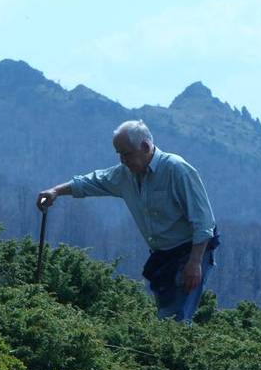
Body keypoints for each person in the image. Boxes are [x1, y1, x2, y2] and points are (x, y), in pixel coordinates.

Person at [36, 120, 218, 322]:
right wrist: (56, 191)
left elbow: (203, 220)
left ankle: (175, 351)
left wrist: (195, 263)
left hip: (191, 251)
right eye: (119, 154)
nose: (122, 160)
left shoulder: (177, 169)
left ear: (146, 147)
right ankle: (168, 350)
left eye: (127, 153)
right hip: (163, 256)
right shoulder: (125, 175)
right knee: (166, 316)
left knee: (177, 318)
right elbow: (92, 181)